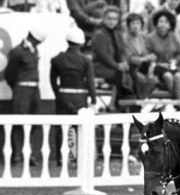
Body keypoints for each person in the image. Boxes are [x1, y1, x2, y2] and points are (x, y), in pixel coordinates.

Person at [50, 27, 96, 166]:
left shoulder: (57, 59)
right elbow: (90, 82)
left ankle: (60, 158)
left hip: (63, 95)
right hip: (80, 97)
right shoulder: (85, 60)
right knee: (79, 129)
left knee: (61, 128)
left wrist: (58, 94)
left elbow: (52, 80)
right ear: (81, 43)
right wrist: (93, 99)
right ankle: (77, 157)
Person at [4, 25, 47, 166]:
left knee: (35, 123)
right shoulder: (17, 51)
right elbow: (10, 74)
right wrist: (18, 87)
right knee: (18, 122)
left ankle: (30, 154)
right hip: (22, 89)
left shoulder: (34, 50)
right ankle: (16, 155)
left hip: (34, 90)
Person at [91, 5, 130, 112]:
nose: (111, 21)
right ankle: (113, 105)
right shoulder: (99, 34)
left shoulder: (118, 34)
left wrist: (124, 63)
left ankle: (128, 105)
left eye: (114, 19)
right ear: (104, 19)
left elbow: (123, 51)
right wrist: (118, 66)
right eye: (109, 18)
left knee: (131, 75)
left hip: (115, 66)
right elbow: (103, 55)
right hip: (100, 66)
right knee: (119, 75)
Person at [146, 9, 180, 106]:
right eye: (161, 21)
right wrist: (155, 61)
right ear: (156, 24)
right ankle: (179, 102)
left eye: (166, 22)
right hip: (156, 66)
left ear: (170, 25)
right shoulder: (150, 38)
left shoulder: (174, 37)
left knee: (178, 76)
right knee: (168, 76)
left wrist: (175, 60)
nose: (163, 24)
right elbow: (147, 55)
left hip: (171, 65)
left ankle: (177, 102)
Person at [124, 12, 159, 99]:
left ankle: (139, 103)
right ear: (128, 26)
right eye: (133, 23)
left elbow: (145, 54)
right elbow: (129, 58)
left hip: (140, 68)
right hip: (129, 68)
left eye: (138, 23)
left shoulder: (141, 38)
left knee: (153, 80)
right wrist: (145, 58)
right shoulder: (124, 38)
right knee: (142, 80)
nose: (136, 26)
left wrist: (150, 57)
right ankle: (136, 102)